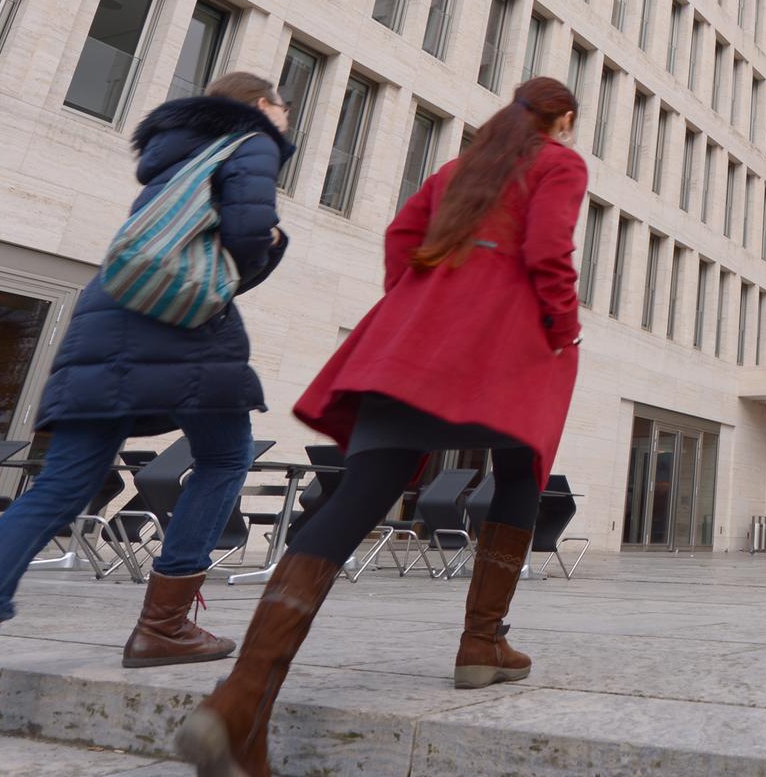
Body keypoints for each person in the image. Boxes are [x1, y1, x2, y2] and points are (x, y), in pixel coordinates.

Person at [174, 79, 586, 777]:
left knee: (361, 494)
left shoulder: (458, 168)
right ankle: (480, 643)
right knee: (521, 470)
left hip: (418, 333)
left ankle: (242, 699)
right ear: (563, 120)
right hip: (506, 344)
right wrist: (563, 328)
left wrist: (420, 306)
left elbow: (401, 239)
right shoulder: (559, 162)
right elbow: (548, 251)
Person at [0, 74, 293, 765]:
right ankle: (163, 626)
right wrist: (263, 253)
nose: (285, 120)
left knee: (56, 490)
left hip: (105, 321)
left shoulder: (171, 154)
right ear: (258, 104)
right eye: (283, 107)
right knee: (224, 457)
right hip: (184, 327)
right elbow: (249, 230)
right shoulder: (251, 138)